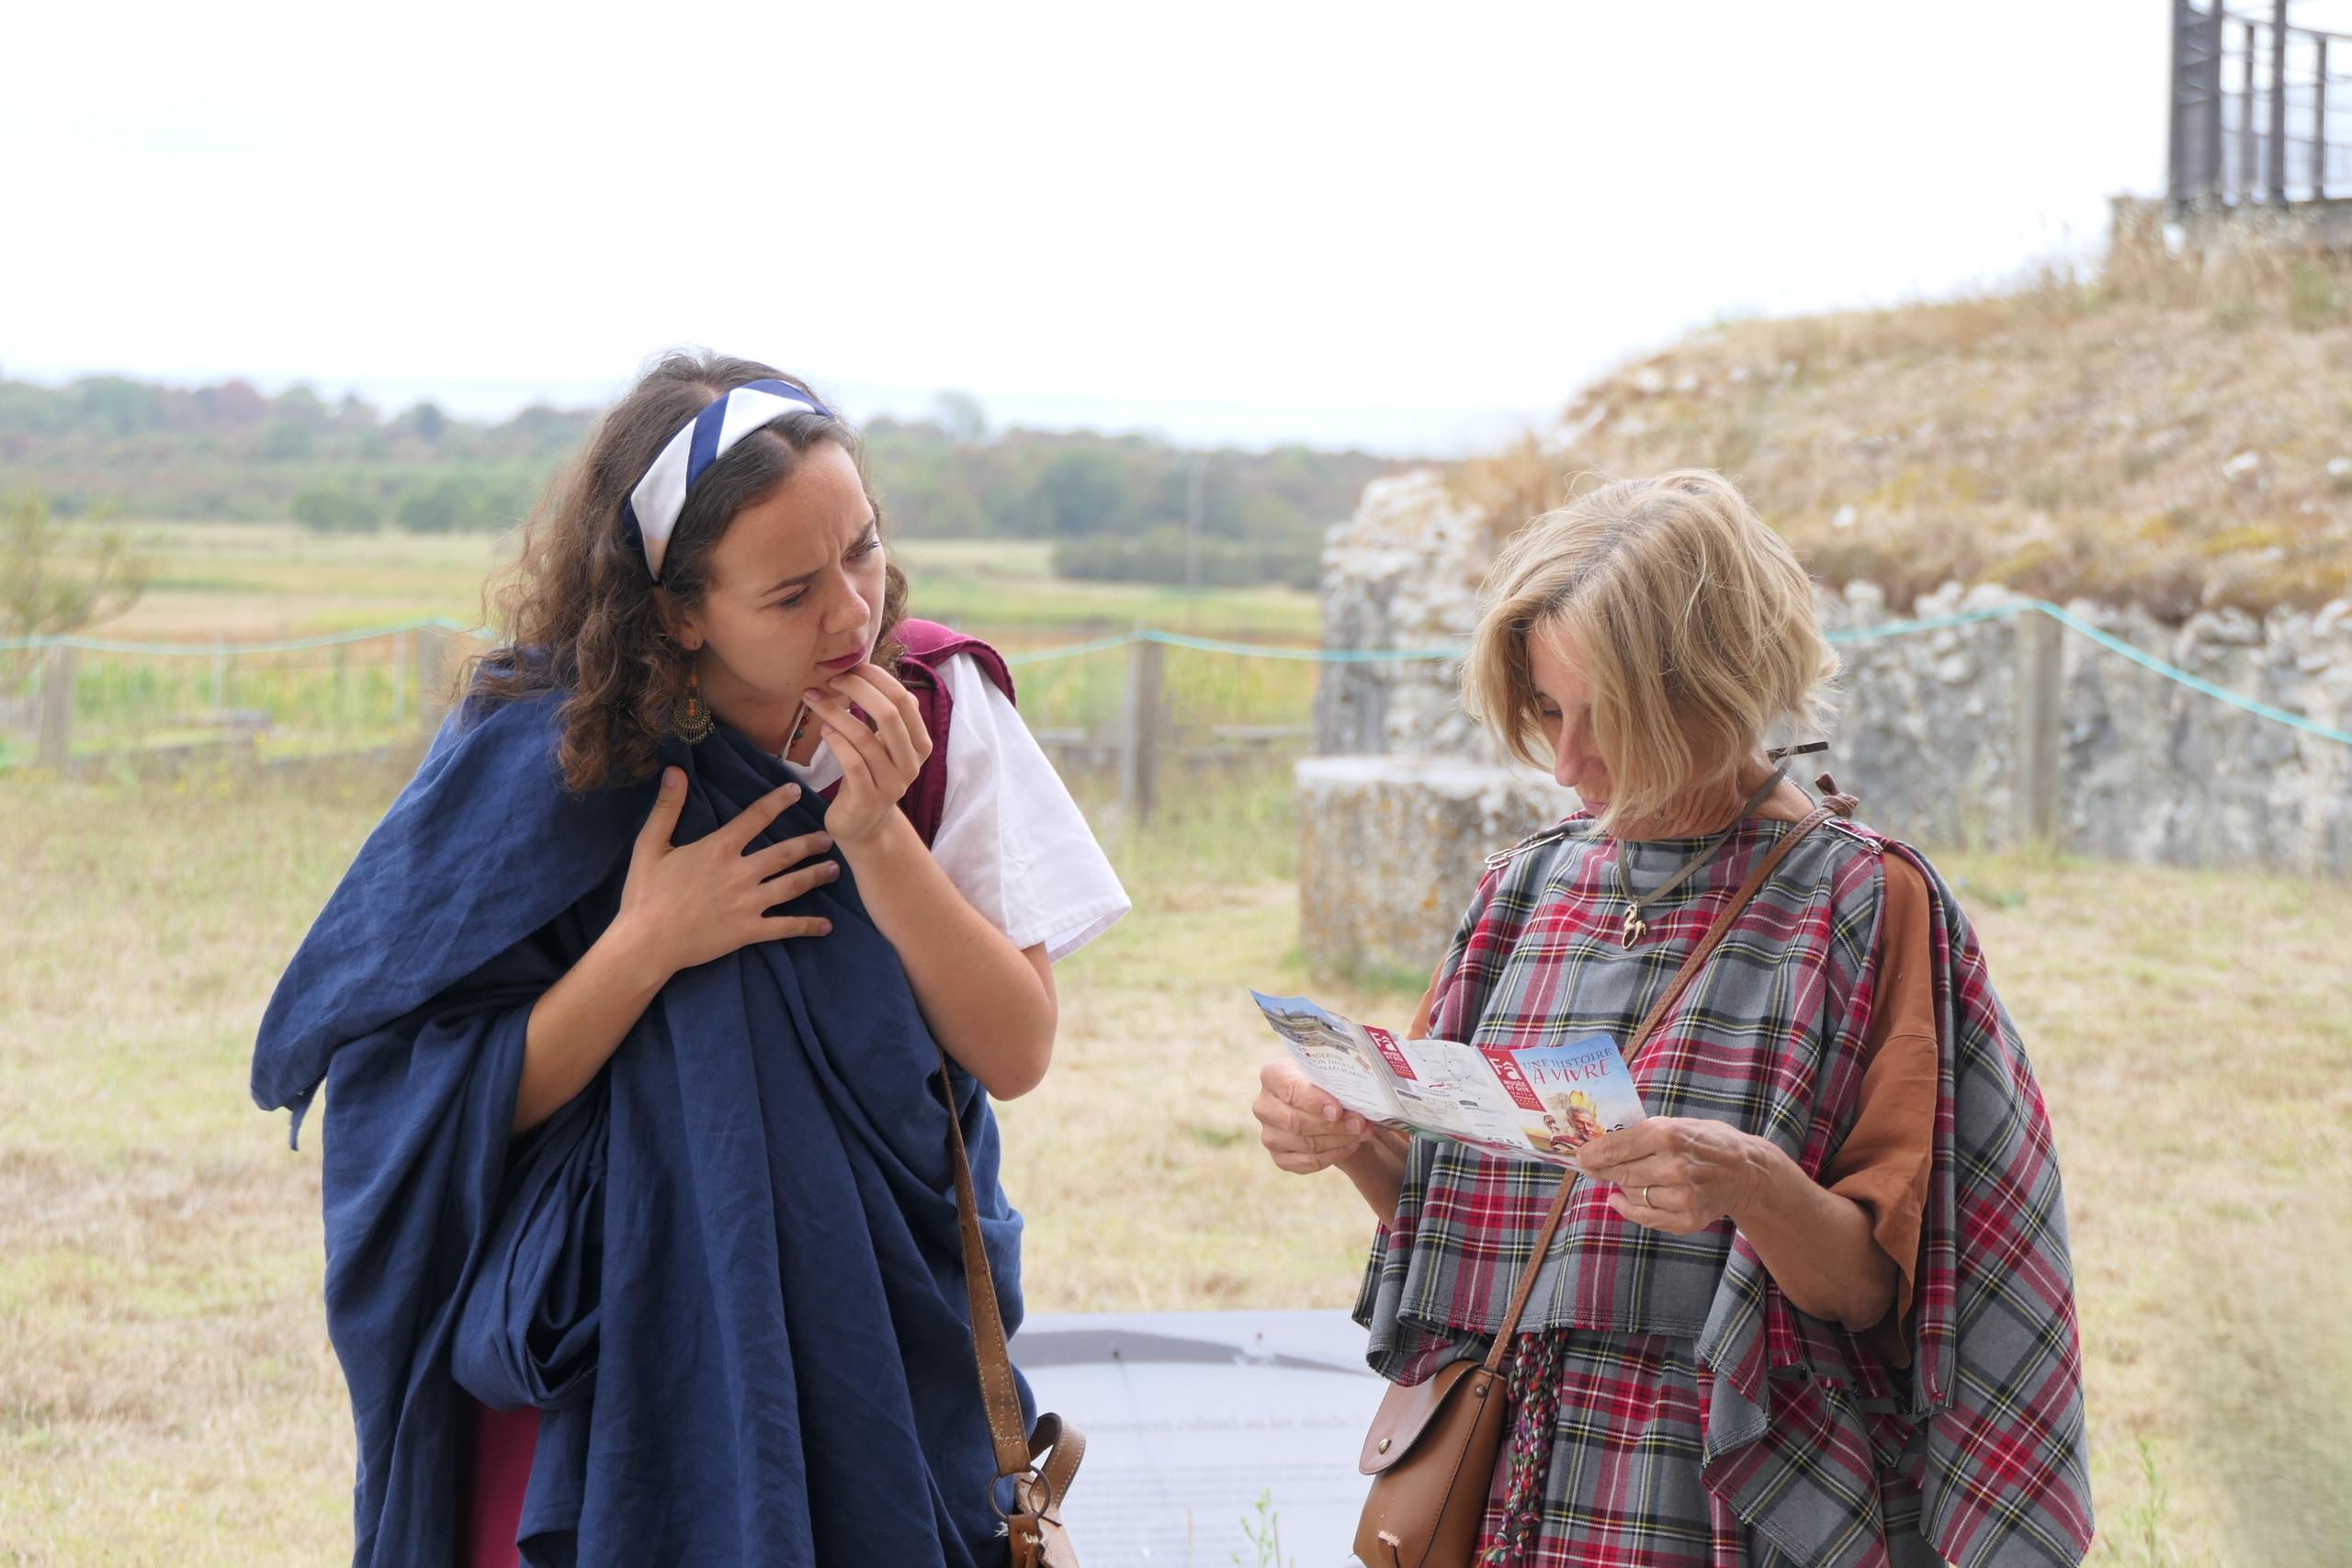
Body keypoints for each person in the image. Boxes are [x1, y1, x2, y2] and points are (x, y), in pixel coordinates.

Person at [251, 352, 1128, 1567]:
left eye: (862, 550)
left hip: (874, 1340)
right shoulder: (552, 750)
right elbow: (435, 1097)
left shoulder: (939, 710)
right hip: (605, 1366)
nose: (850, 612)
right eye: (790, 591)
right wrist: (646, 943)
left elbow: (1017, 1046)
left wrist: (877, 839)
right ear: (677, 606)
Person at [1253, 471, 2093, 1566]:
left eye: (1611, 718)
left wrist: (1746, 1180)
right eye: (1549, 711)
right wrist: (1354, 1139)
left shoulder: (1860, 907)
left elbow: (1883, 1291)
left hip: (1721, 1507)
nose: (1565, 762)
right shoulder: (1522, 893)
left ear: (1720, 687)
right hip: (1509, 1501)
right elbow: (1451, 1230)